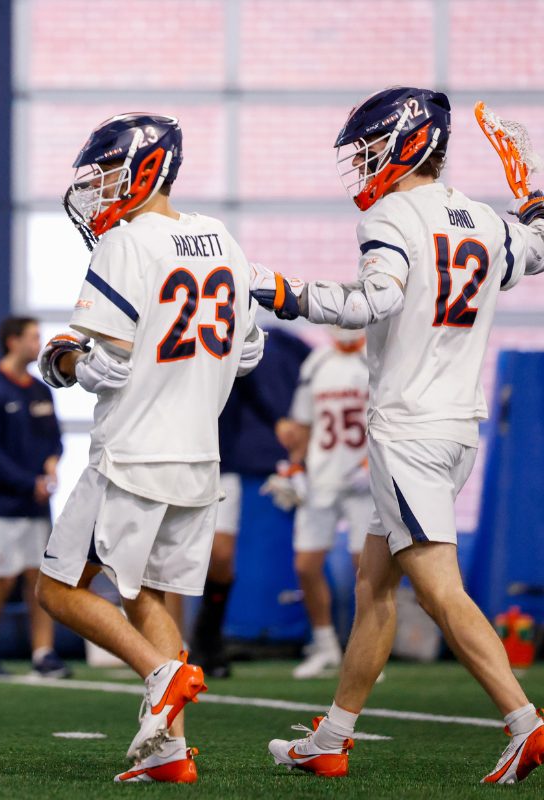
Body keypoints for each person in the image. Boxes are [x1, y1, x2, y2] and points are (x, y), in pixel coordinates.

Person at [252, 86, 544, 783]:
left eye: (368, 147)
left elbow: (373, 302)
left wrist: (278, 290)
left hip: (409, 426)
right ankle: (333, 735)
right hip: (455, 426)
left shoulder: (392, 213)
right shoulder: (482, 217)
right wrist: (531, 191)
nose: (360, 161)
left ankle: (524, 722)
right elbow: (536, 249)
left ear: (403, 142)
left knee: (440, 591)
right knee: (373, 582)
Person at [35, 113, 266, 783]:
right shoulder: (223, 238)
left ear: (142, 168)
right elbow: (249, 351)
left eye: (107, 174)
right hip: (199, 455)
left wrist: (63, 361)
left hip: (133, 451)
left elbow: (95, 360)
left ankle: (162, 673)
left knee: (57, 591)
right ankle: (169, 753)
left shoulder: (126, 243)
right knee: (154, 598)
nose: (99, 189)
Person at [189, 326, 310, 677]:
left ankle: (206, 641)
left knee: (222, 557)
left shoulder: (226, 343)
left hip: (219, 460)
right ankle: (169, 652)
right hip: (172, 456)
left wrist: (278, 421)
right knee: (168, 560)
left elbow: (254, 385)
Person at [265, 327, 374, 679]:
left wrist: (375, 461)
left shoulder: (376, 359)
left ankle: (368, 651)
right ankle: (326, 645)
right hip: (322, 474)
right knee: (307, 565)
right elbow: (302, 423)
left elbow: (392, 416)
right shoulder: (317, 363)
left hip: (364, 479)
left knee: (368, 568)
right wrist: (295, 466)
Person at [0, 316, 70, 680]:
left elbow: (55, 439)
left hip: (36, 506)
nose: (37, 344)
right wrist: (30, 482)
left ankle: (43, 654)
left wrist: (52, 464)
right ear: (12, 341)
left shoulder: (41, 390)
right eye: (31, 337)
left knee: (38, 579)